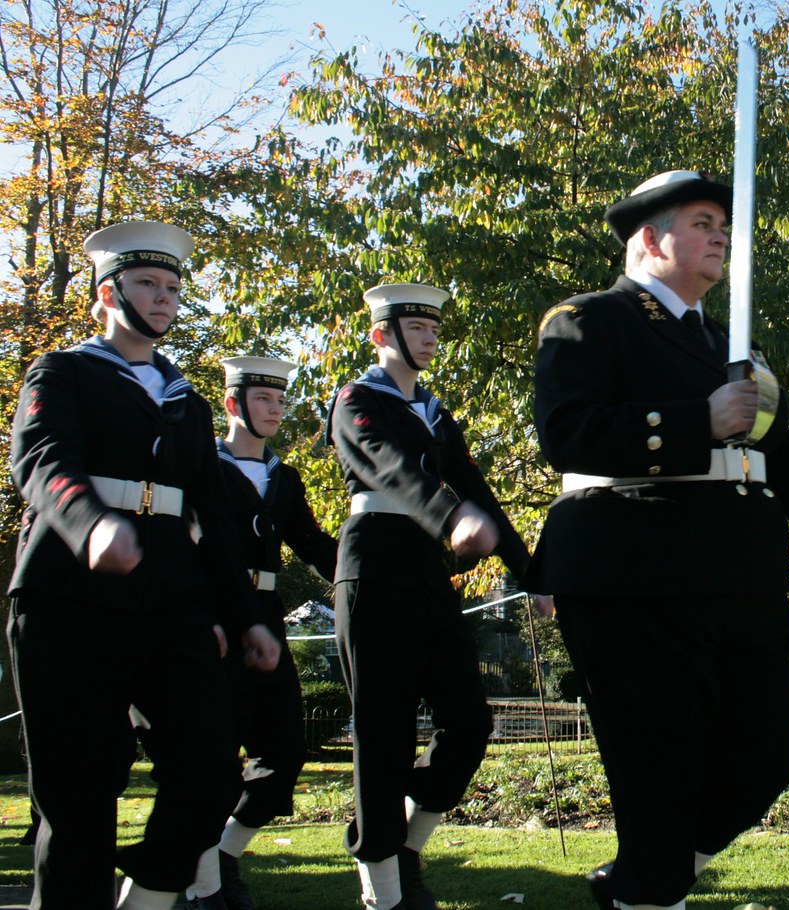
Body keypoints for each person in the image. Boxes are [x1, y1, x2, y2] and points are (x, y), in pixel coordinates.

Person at [526, 170, 789, 910]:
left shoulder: (733, 345)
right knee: (658, 765)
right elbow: (565, 435)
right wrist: (698, 422)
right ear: (651, 238)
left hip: (742, 577)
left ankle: (647, 876)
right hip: (634, 577)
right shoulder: (587, 320)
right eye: (701, 221)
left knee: (765, 759)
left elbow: (783, 459)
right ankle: (651, 887)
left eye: (723, 223)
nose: (720, 234)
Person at [6, 222, 280, 910]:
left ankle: (151, 901)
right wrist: (89, 523)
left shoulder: (182, 397)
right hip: (70, 592)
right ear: (107, 293)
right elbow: (40, 461)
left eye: (172, 289)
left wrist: (243, 617)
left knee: (213, 773)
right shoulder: (63, 370)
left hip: (170, 598)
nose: (163, 300)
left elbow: (213, 519)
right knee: (80, 796)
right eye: (147, 285)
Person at [327, 283, 552, 910]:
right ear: (382, 335)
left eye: (433, 330)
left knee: (470, 721)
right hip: (372, 570)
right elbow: (388, 464)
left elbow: (476, 487)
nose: (430, 340)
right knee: (383, 732)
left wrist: (529, 572)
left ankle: (405, 845)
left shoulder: (432, 410)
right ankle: (384, 890)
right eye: (417, 330)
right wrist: (450, 515)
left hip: (428, 575)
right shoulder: (356, 401)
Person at [185, 357, 338, 910]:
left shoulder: (284, 478)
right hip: (216, 620)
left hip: (268, 618)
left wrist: (374, 570)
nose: (276, 411)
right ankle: (202, 889)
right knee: (211, 763)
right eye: (264, 401)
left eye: (281, 402)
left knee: (285, 755)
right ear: (233, 404)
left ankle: (224, 858)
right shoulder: (200, 468)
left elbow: (316, 547)